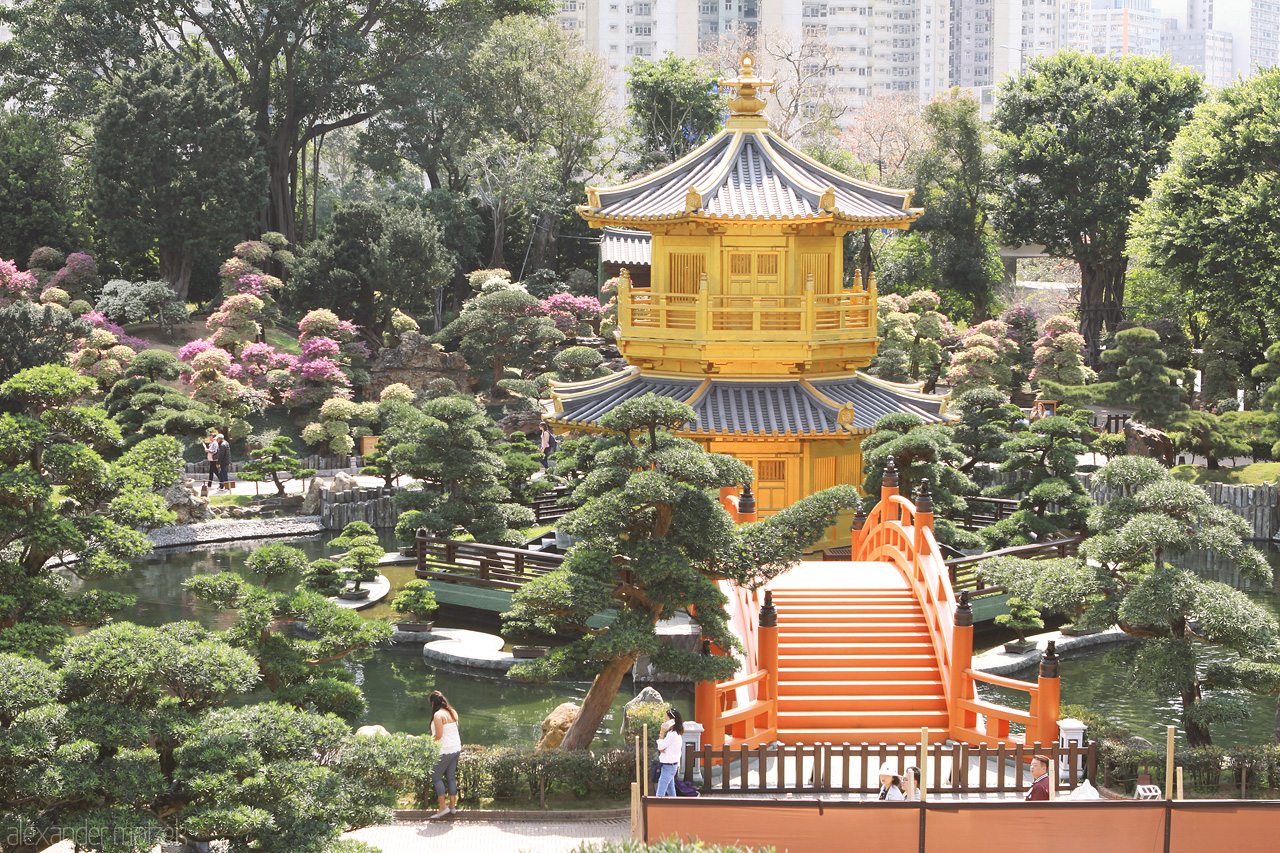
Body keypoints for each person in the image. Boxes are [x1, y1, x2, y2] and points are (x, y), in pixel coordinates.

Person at [427, 691, 462, 819]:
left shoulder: (438, 715)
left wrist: (426, 742)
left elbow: (439, 735)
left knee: (436, 777)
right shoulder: (453, 712)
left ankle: (443, 808)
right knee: (451, 777)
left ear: (432, 703)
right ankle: (452, 806)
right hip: (456, 748)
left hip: (445, 750)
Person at [654, 708, 684, 797]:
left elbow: (660, 747)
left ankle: (658, 810)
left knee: (660, 792)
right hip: (671, 766)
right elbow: (662, 747)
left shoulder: (672, 735)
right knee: (671, 790)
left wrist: (661, 732)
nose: (664, 722)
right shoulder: (674, 734)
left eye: (666, 719)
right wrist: (662, 747)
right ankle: (675, 808)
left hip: (668, 767)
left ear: (672, 721)